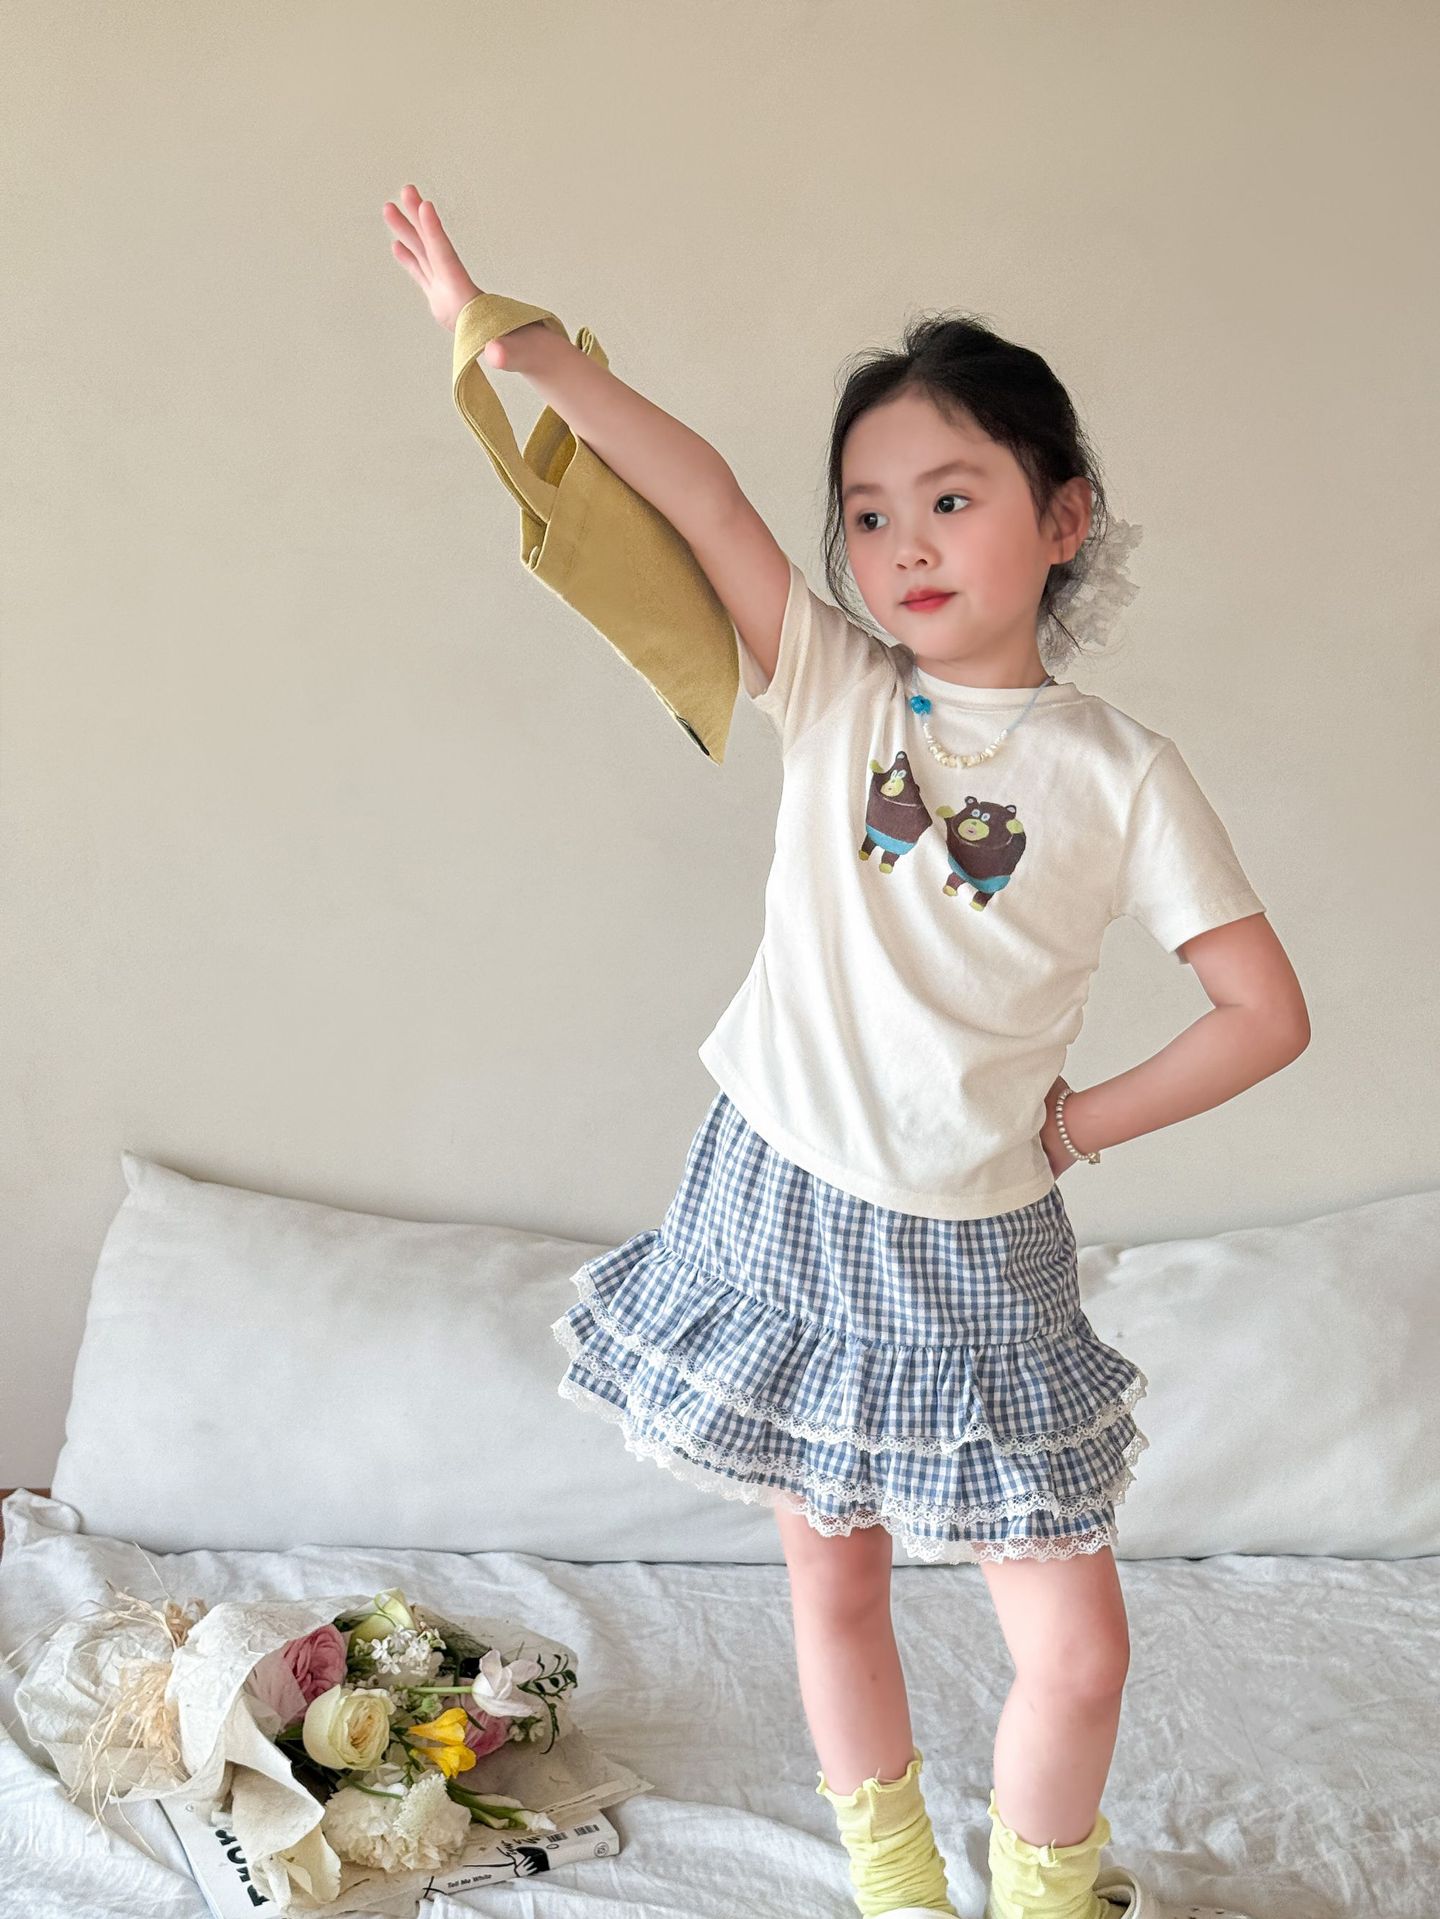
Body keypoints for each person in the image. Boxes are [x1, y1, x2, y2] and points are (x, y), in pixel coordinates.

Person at [382, 185, 1310, 1919]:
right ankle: (895, 1884)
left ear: (1064, 516)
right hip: (787, 1198)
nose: (904, 544)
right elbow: (706, 496)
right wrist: (519, 349)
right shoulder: (832, 685)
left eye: (952, 498)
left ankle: (1045, 1893)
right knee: (835, 1586)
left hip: (978, 1248)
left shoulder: (1122, 773)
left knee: (1078, 1650)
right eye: (870, 513)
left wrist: (1082, 1124)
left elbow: (1267, 1011)